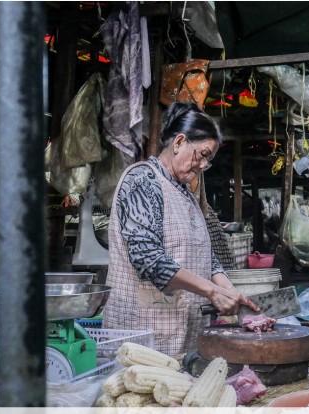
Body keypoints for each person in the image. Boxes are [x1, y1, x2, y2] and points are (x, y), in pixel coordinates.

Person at [102, 102, 258, 356]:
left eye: (209, 160)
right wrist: (211, 290)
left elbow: (204, 255)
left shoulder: (185, 194)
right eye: (203, 154)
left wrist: (229, 291)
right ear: (178, 143)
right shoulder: (142, 181)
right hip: (142, 334)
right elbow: (148, 260)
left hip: (184, 329)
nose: (203, 165)